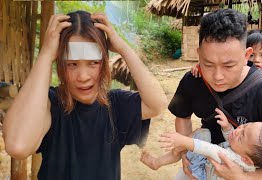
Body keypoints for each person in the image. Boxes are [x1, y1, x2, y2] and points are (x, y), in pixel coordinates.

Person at [3, 11, 167, 179]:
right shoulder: (49, 104)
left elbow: (157, 104)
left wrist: (122, 47)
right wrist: (45, 54)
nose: (83, 76)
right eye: (72, 64)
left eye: (93, 63)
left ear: (103, 63)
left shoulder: (115, 105)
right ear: (59, 63)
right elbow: (18, 146)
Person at [169, 9, 262, 179]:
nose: (217, 77)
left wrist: (243, 177)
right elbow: (183, 116)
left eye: (229, 66)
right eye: (208, 64)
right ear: (199, 54)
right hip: (203, 162)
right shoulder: (193, 80)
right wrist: (185, 155)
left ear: (247, 56)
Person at [141, 108, 262, 180]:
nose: (238, 130)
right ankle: (159, 162)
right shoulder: (247, 154)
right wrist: (227, 128)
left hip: (201, 172)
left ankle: (159, 162)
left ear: (246, 160)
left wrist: (183, 140)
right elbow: (231, 140)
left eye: (242, 136)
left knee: (202, 134)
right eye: (245, 125)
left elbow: (209, 149)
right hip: (209, 168)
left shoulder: (232, 158)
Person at [191, 29, 262, 78]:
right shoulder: (244, 66)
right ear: (246, 54)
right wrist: (201, 65)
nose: (256, 60)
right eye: (251, 55)